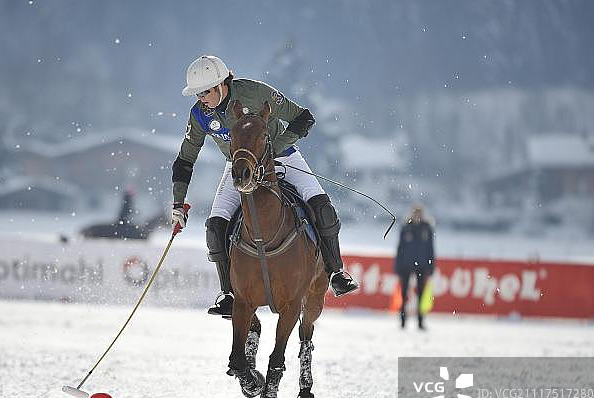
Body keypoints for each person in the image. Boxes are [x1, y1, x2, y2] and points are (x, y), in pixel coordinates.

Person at [170, 55, 358, 318]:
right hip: (238, 167)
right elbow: (185, 160)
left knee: (322, 207)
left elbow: (303, 118)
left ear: (222, 84)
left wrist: (274, 149)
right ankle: (228, 294)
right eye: (197, 93)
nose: (201, 98)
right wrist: (178, 203)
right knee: (214, 227)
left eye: (205, 92)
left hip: (283, 157)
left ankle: (336, 271)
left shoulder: (257, 93)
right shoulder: (200, 114)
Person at [395, 204, 435, 330]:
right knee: (404, 293)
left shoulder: (427, 228)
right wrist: (398, 265)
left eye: (419, 213)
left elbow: (431, 249)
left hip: (422, 265)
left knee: (421, 295)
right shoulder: (406, 228)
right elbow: (400, 248)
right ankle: (403, 320)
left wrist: (431, 265)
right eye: (415, 213)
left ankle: (420, 320)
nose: (417, 216)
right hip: (406, 264)